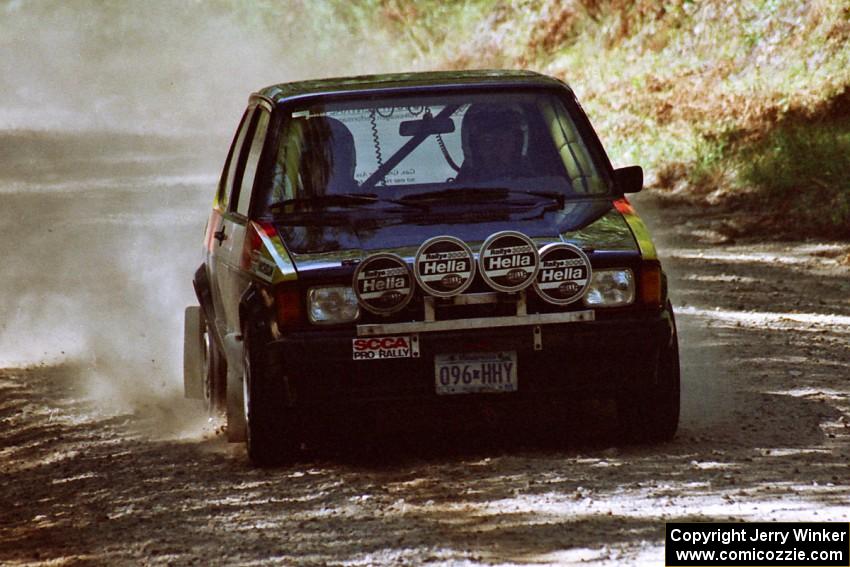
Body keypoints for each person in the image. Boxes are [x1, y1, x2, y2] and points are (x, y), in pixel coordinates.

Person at [454, 104, 530, 184]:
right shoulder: (461, 191)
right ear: (474, 146)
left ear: (517, 144)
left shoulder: (537, 185)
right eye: (488, 140)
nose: (497, 147)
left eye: (505, 140)